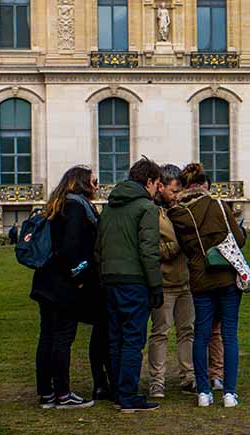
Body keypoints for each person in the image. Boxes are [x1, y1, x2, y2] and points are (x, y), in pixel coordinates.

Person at [168, 163, 247, 408]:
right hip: (225, 277)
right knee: (228, 335)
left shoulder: (178, 214)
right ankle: (229, 393)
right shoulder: (219, 206)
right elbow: (239, 239)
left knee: (200, 335)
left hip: (200, 280)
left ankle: (203, 392)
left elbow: (183, 248)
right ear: (203, 184)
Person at [96, 157, 164, 413]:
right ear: (149, 182)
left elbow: (99, 248)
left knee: (116, 338)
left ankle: (118, 391)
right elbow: (149, 251)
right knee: (133, 340)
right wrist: (156, 286)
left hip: (111, 279)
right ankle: (127, 394)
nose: (159, 188)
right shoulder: (146, 208)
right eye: (158, 183)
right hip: (134, 281)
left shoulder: (110, 207)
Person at [30, 165, 100, 410]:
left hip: (46, 282)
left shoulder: (58, 205)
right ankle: (62, 393)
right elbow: (70, 248)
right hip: (63, 285)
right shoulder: (75, 207)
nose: (96, 186)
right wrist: (79, 275)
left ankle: (47, 393)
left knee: (47, 337)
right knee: (61, 337)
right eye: (93, 181)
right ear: (81, 183)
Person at [147, 164, 196, 398]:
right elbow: (151, 248)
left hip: (186, 281)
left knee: (187, 331)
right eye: (173, 191)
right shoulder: (153, 213)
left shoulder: (183, 210)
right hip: (165, 283)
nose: (176, 196)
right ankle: (157, 380)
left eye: (179, 192)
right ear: (161, 187)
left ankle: (188, 376)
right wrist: (178, 246)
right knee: (160, 333)